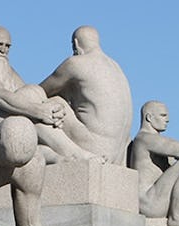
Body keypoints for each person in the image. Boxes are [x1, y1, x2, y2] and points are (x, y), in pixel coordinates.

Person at [0, 26, 98, 163]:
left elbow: (33, 95)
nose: (3, 50)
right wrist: (40, 111)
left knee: (37, 94)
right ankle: (73, 153)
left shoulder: (7, 70)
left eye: (7, 46)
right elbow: (0, 96)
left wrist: (53, 111)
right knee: (31, 99)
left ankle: (65, 156)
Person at [39, 26, 133, 164]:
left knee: (49, 102)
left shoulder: (75, 63)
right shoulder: (116, 67)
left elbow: (40, 91)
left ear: (76, 44)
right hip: (118, 155)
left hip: (94, 149)